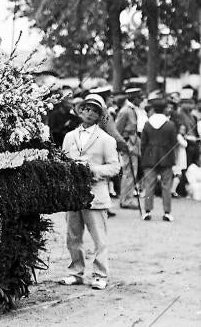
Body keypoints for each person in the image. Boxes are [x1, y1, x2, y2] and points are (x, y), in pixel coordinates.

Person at [60, 93, 120, 290]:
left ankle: (100, 274)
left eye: (95, 111)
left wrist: (92, 171)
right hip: (73, 194)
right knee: (73, 236)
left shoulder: (106, 139)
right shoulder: (69, 137)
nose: (90, 113)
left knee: (98, 238)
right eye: (87, 109)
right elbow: (63, 162)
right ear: (80, 111)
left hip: (95, 194)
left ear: (100, 116)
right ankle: (75, 271)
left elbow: (114, 167)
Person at [140, 96, 178, 222]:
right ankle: (167, 212)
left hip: (149, 157)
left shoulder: (147, 124)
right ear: (164, 109)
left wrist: (143, 157)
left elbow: (143, 143)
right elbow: (174, 143)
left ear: (153, 109)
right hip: (166, 157)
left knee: (149, 185)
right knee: (167, 185)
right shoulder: (170, 125)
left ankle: (147, 211)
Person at [115, 87, 143, 209]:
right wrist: (122, 144)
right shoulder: (125, 111)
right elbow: (117, 129)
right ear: (134, 98)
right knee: (129, 172)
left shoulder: (131, 109)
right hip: (128, 143)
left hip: (133, 142)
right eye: (139, 98)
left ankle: (127, 198)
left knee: (132, 172)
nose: (141, 100)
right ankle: (126, 200)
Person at [171, 124, 188, 197]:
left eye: (184, 129)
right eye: (181, 129)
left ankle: (173, 190)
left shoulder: (181, 136)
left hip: (180, 158)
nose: (183, 130)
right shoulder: (178, 136)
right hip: (177, 159)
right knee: (178, 174)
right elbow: (185, 144)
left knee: (178, 175)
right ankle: (172, 191)